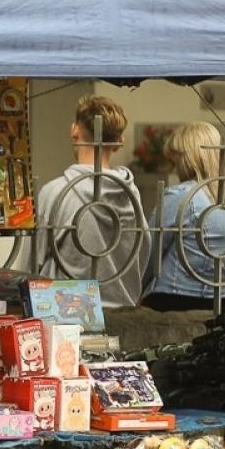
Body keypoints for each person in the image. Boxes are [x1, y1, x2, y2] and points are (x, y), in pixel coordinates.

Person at [32, 95, 150, 309]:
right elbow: (143, 254)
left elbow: (32, 264)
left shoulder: (55, 192)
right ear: (119, 143)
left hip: (67, 312)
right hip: (122, 311)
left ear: (74, 131)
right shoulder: (132, 195)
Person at [142, 122, 225, 312]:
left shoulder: (181, 196)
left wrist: (132, 295)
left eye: (175, 161)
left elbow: (147, 255)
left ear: (188, 159)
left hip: (175, 300)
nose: (174, 169)